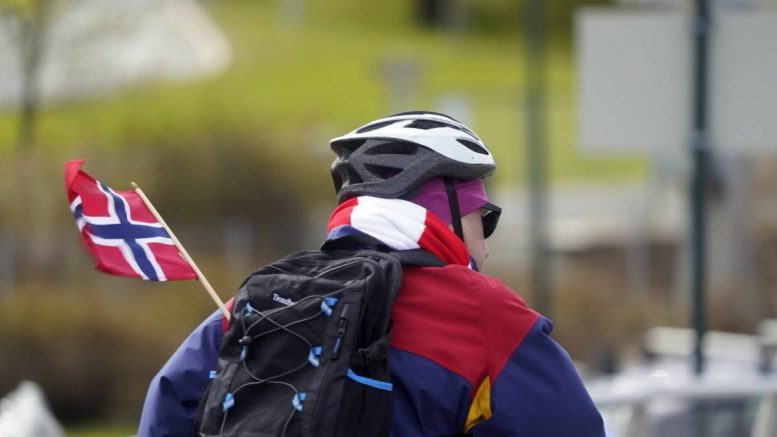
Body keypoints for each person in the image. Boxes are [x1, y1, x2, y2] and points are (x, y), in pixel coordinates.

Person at [139, 111, 605, 436]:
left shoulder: (260, 299)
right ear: (443, 210)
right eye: (484, 219)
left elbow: (165, 409)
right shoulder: (485, 314)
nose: (485, 244)